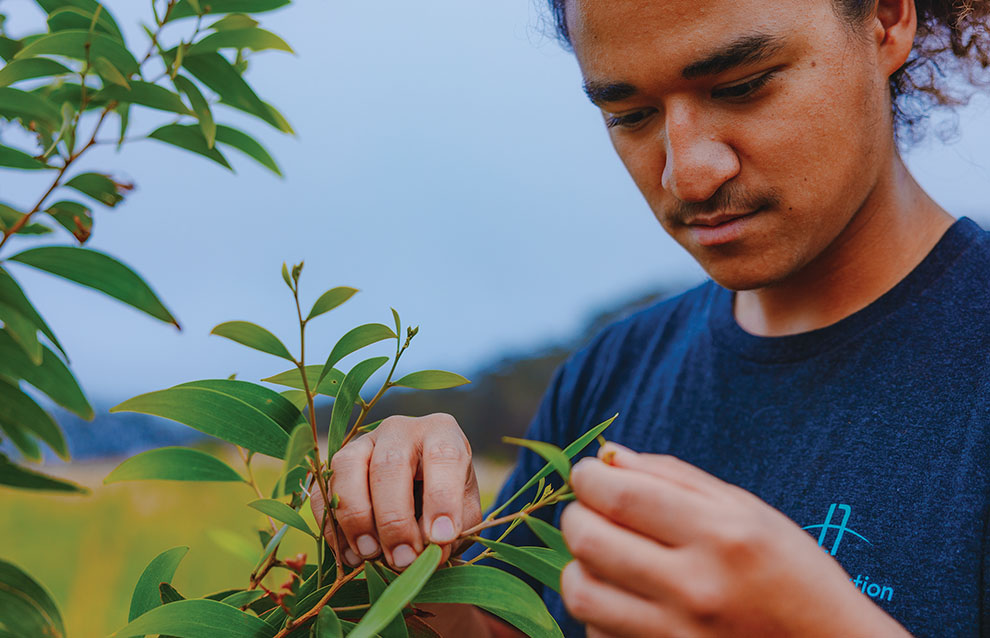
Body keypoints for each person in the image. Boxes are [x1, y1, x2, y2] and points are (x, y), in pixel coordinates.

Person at [322, 0, 990, 635]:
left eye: (742, 85)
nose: (687, 174)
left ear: (887, 19)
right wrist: (398, 554)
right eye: (631, 114)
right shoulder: (612, 374)